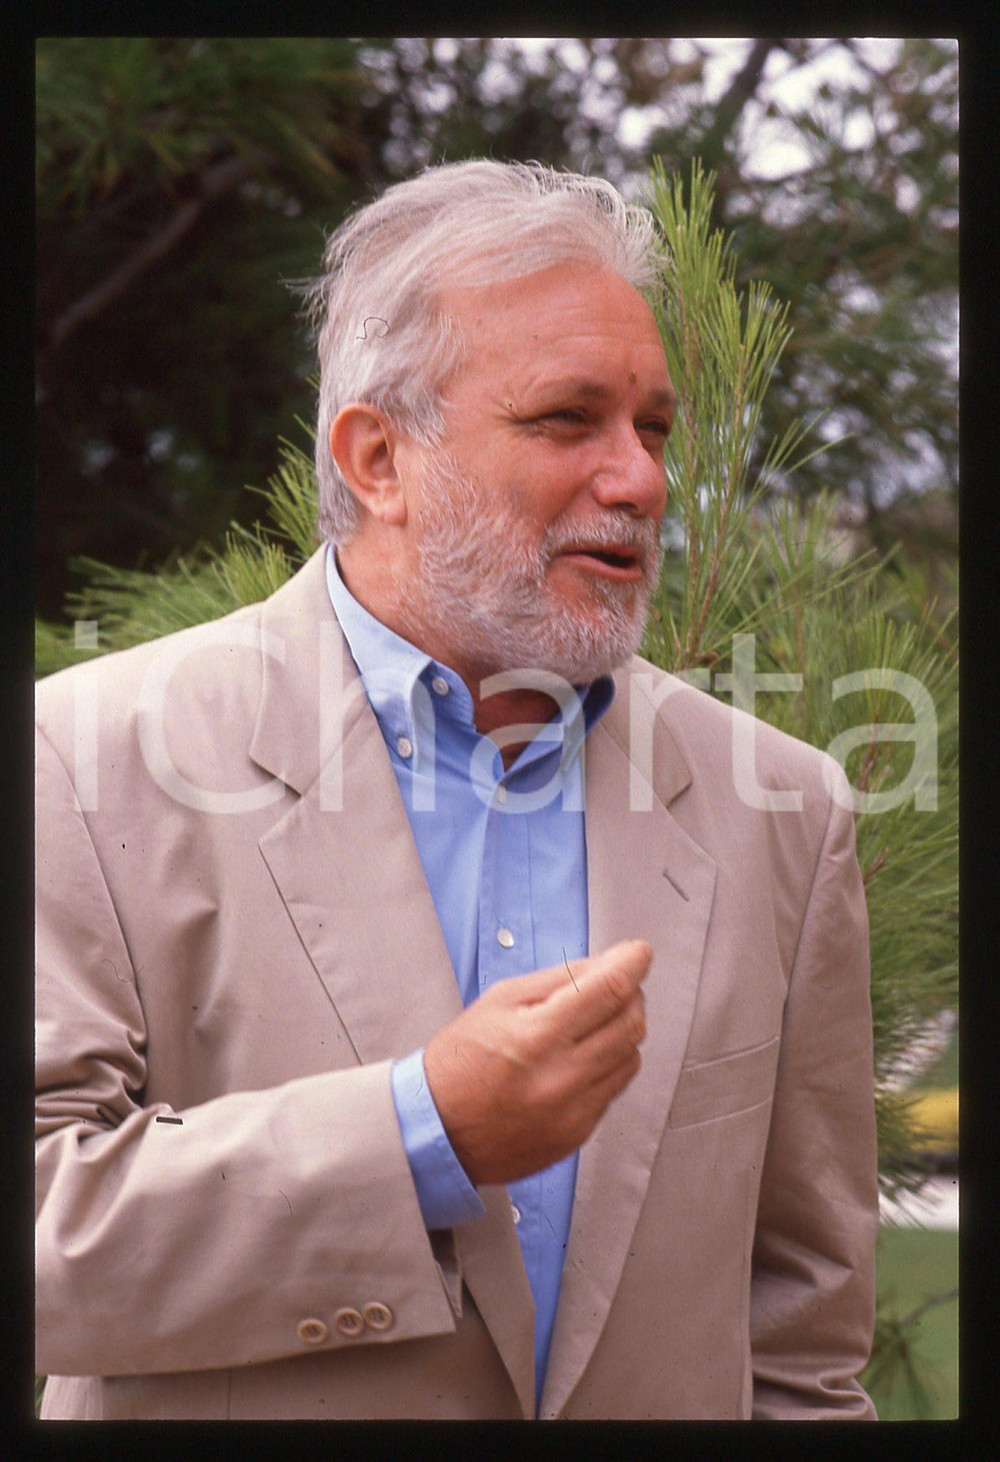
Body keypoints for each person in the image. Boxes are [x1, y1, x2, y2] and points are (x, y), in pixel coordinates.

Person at [35, 159, 878, 1421]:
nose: (641, 478)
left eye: (650, 426)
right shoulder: (79, 757)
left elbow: (804, 1344)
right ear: (378, 457)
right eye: (565, 420)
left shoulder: (786, 810)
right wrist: (422, 1134)